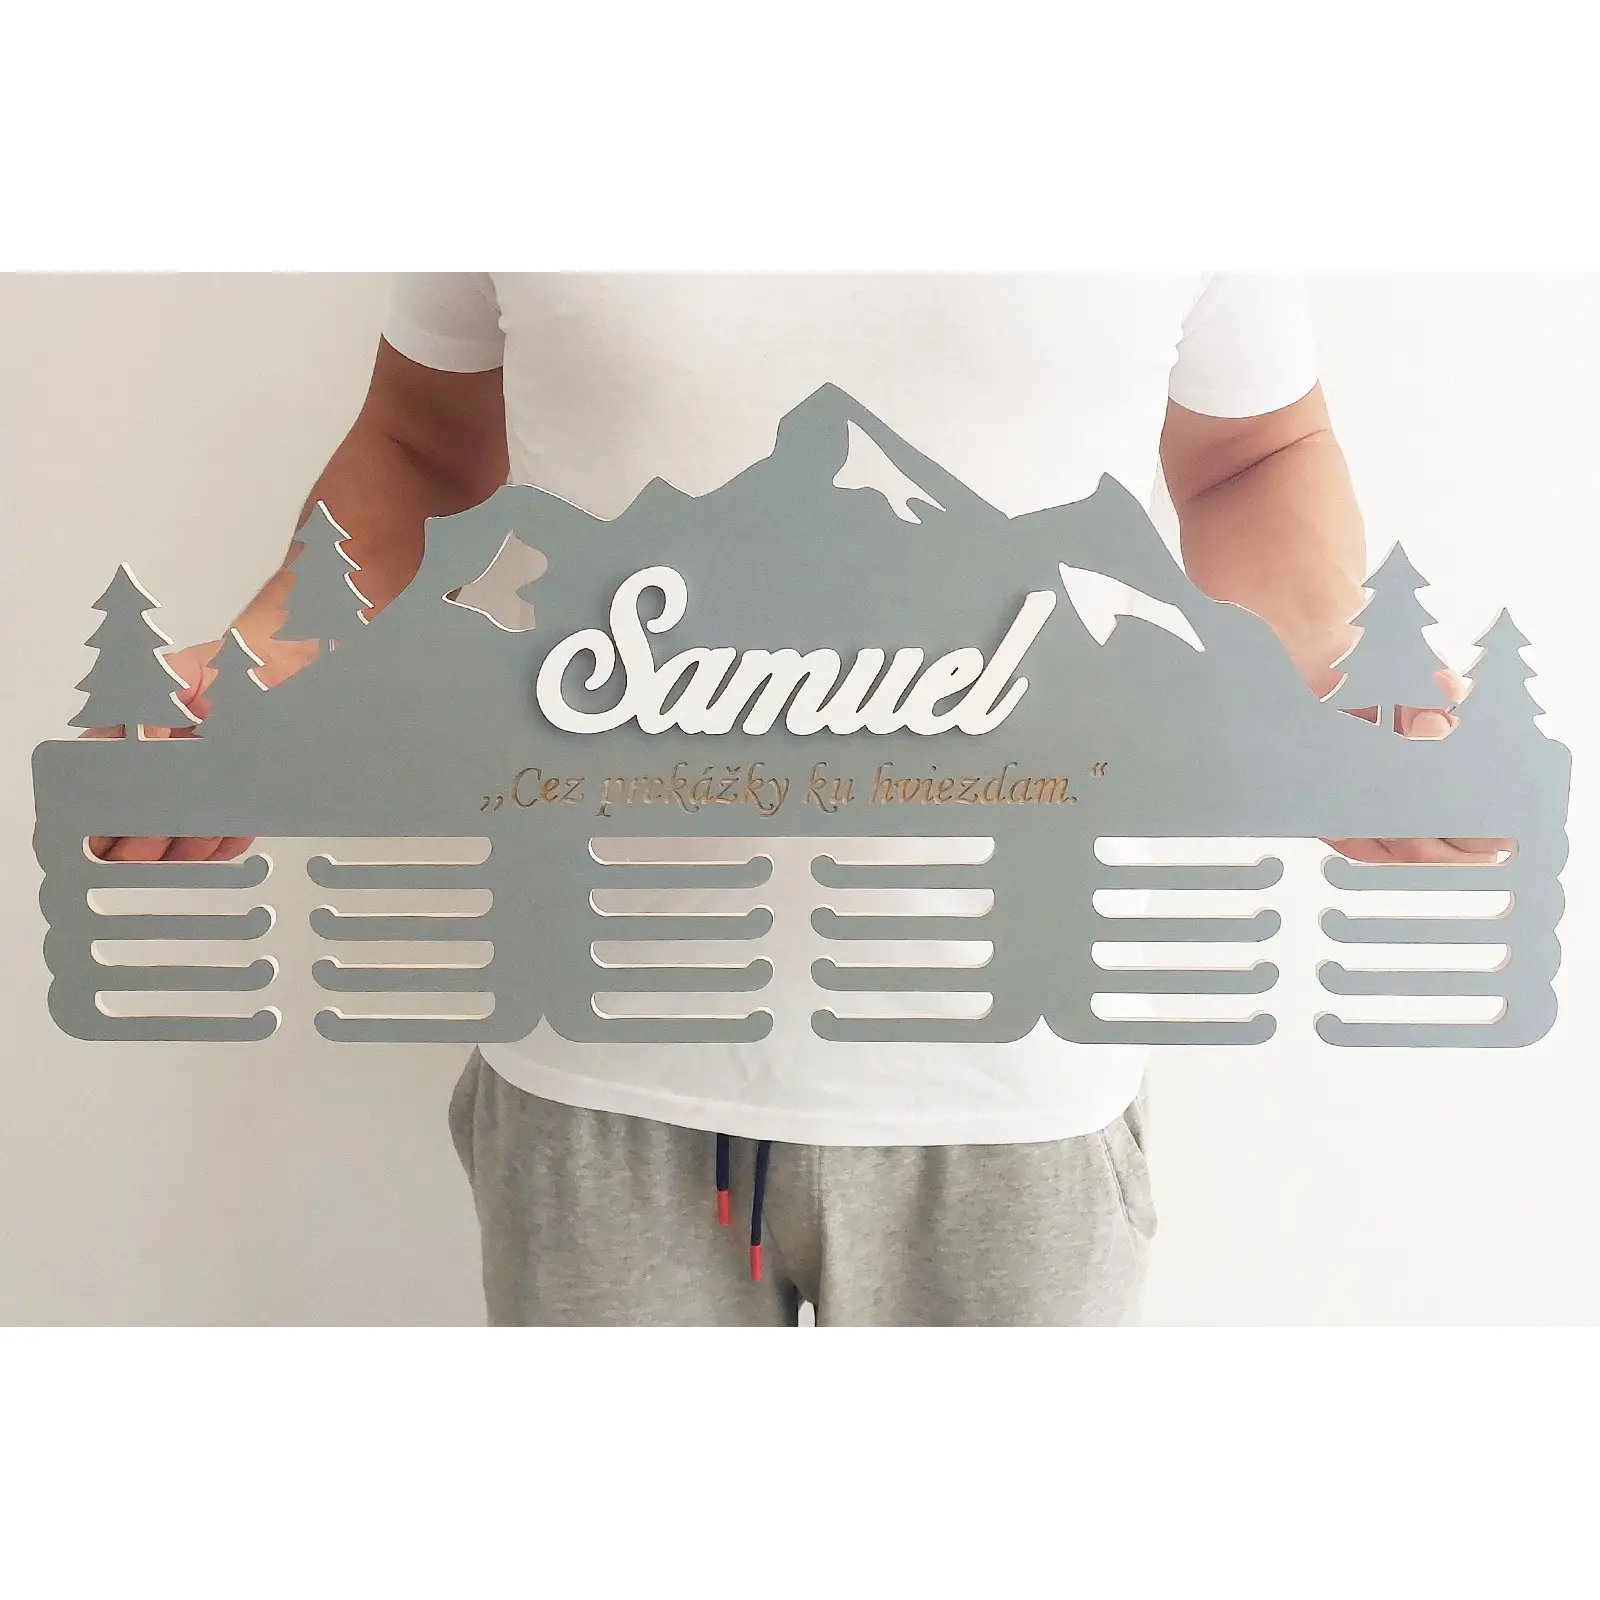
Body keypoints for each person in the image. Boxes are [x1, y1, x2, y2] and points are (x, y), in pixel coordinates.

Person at [89, 274, 1499, 1326]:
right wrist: (283, 657)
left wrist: (1322, 664)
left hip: (1018, 1074)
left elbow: (1253, 454)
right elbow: (422, 445)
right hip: (594, 1060)